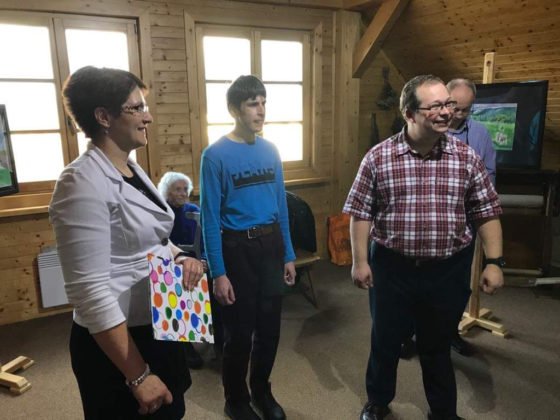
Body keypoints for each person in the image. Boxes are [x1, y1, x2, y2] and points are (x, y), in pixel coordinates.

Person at [344, 75, 504, 420]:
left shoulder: (467, 158)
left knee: (437, 344)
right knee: (386, 340)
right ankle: (378, 401)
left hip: (447, 271)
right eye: (436, 106)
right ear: (409, 114)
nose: (447, 112)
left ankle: (443, 411)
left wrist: (495, 261)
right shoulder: (378, 158)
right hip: (392, 268)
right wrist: (359, 261)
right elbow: (360, 213)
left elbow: (487, 212)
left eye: (448, 104)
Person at [49, 66, 204, 419]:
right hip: (121, 344)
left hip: (160, 317)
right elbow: (89, 292)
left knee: (173, 410)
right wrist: (138, 375)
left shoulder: (130, 168)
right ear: (103, 117)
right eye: (137, 108)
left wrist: (180, 257)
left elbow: (151, 237)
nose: (148, 117)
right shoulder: (80, 182)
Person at [200, 75, 296, 420]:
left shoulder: (270, 150)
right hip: (237, 248)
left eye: (263, 102)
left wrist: (288, 254)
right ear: (234, 110)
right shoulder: (214, 156)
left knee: (269, 330)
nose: (261, 110)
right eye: (253, 104)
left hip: (271, 245)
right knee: (239, 334)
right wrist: (219, 273)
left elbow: (281, 206)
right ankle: (236, 399)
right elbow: (209, 219)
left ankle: (261, 391)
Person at [400, 78, 499, 358]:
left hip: (460, 228)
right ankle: (408, 334)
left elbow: (489, 179)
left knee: (456, 288)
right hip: (422, 231)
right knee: (412, 288)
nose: (455, 114)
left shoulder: (479, 136)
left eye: (465, 110)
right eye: (453, 106)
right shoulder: (424, 132)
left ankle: (449, 331)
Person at [158, 171, 223, 367]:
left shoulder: (194, 210)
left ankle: (220, 346)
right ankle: (185, 350)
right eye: (177, 189)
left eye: (185, 189)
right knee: (177, 301)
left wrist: (205, 260)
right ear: (167, 192)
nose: (183, 193)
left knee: (216, 298)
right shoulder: (162, 213)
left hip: (199, 263)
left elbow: (206, 239)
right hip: (175, 266)